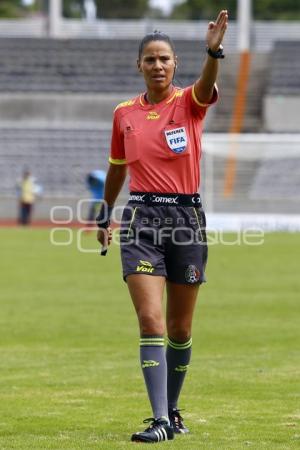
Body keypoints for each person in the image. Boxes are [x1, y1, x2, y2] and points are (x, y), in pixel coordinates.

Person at [96, 10, 228, 443]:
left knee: (180, 330)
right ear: (139, 65)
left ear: (175, 65)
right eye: (150, 59)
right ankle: (159, 421)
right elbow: (117, 167)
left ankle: (172, 409)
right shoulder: (124, 114)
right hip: (141, 219)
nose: (158, 65)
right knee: (150, 321)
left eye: (165, 59)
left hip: (186, 220)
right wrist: (104, 211)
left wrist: (213, 52)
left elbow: (207, 85)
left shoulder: (189, 103)